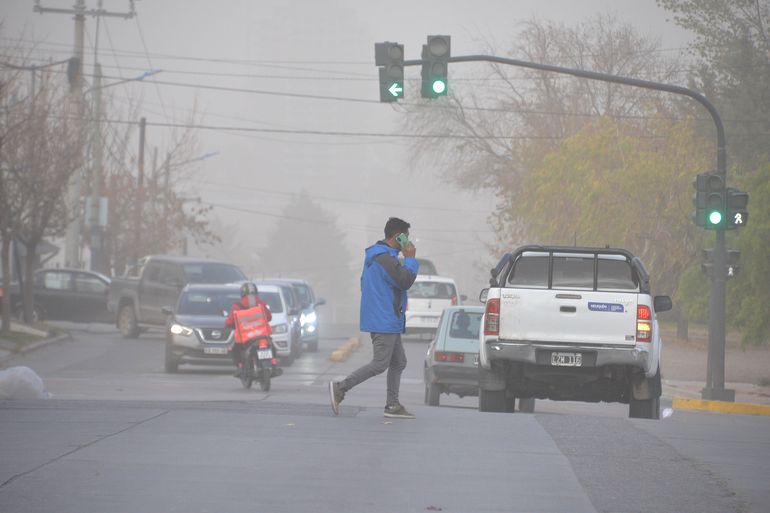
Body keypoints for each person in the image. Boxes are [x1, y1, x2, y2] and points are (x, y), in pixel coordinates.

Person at [329, 217, 419, 418]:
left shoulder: (382, 256)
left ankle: (392, 405)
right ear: (399, 236)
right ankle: (341, 388)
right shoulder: (384, 259)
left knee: (399, 362)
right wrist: (411, 258)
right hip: (384, 319)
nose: (409, 242)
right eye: (407, 237)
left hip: (387, 318)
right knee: (380, 363)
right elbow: (405, 280)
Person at [225, 282, 273, 376]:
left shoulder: (237, 306)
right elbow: (269, 317)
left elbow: (230, 322)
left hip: (246, 338)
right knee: (271, 346)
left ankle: (241, 367)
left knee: (235, 350)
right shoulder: (260, 304)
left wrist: (227, 324)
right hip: (262, 335)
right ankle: (273, 364)